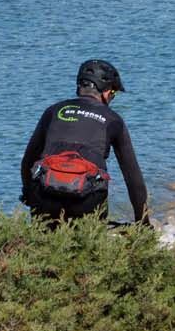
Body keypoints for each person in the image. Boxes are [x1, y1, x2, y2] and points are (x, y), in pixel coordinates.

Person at [22, 59, 149, 224]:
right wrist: (143, 222)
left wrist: (29, 195)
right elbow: (133, 178)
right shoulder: (114, 120)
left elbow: (28, 161)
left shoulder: (53, 110)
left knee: (44, 237)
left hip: (45, 196)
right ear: (106, 92)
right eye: (114, 94)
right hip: (86, 201)